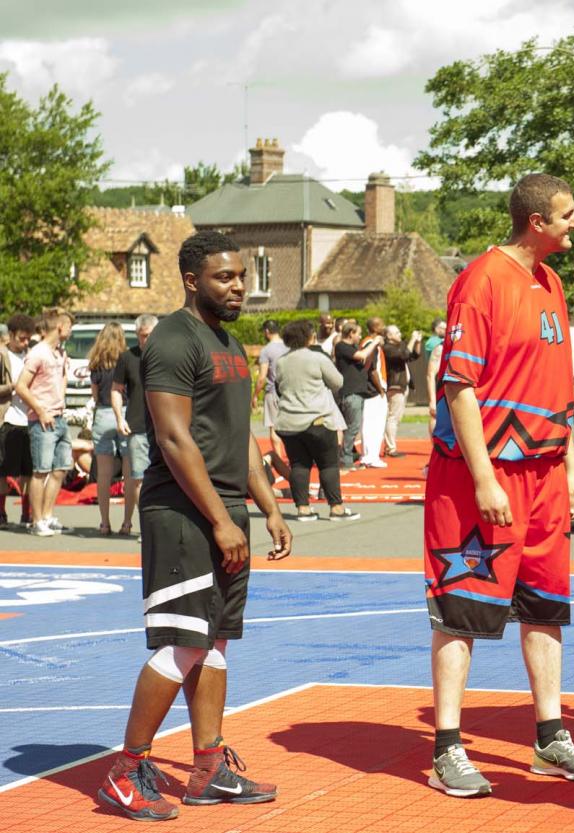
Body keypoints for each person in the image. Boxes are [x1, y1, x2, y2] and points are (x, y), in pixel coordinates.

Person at [96, 230, 292, 822]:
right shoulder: (174, 341)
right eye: (224, 278)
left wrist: (269, 505)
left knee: (216, 642)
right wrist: (218, 517)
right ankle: (125, 772)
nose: (238, 287)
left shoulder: (228, 340)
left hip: (226, 509)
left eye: (240, 277)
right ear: (191, 280)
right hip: (182, 512)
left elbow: (237, 437)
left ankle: (207, 769)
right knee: (184, 644)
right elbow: (176, 440)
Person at [425, 173, 574, 797]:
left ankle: (550, 737)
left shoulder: (550, 282)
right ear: (537, 221)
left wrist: (572, 466)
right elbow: (459, 387)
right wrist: (482, 477)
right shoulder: (480, 282)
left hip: (547, 470)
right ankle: (447, 746)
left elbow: (557, 391)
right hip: (486, 474)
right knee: (463, 609)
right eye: (569, 214)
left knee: (546, 608)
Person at [274, 319, 359, 522]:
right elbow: (338, 382)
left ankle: (303, 508)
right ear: (308, 337)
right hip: (316, 418)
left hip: (288, 421)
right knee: (328, 464)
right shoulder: (316, 358)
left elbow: (278, 387)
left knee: (299, 465)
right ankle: (336, 507)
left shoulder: (281, 361)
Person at [14, 308, 74, 537]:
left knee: (60, 469)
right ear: (59, 327)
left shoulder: (59, 352)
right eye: (68, 325)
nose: (70, 330)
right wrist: (40, 410)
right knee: (40, 471)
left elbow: (61, 380)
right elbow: (21, 386)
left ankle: (47, 516)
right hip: (42, 420)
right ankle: (37, 520)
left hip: (59, 417)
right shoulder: (38, 353)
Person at [112, 314, 159, 539]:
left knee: (163, 478)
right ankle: (147, 527)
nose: (144, 341)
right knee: (139, 478)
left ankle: (161, 524)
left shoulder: (166, 356)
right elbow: (116, 389)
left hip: (164, 426)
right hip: (138, 426)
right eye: (141, 336)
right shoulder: (128, 357)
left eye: (148, 336)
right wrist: (119, 417)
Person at [88, 322, 128, 535]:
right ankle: (127, 522)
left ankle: (104, 523)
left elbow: (95, 396)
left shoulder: (96, 363)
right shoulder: (127, 360)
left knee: (104, 474)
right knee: (129, 472)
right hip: (125, 413)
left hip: (103, 413)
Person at [0, 314, 36, 529]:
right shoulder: (2, 355)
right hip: (8, 419)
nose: (25, 343)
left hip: (29, 419)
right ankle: (1, 513)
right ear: (10, 335)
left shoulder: (32, 355)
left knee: (29, 472)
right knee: (3, 471)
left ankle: (27, 513)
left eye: (28, 339)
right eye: (21, 339)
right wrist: (14, 386)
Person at [333, 322, 379, 470]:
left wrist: (373, 350)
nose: (359, 337)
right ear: (351, 333)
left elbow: (364, 364)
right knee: (352, 428)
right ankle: (345, 460)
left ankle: (346, 457)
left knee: (353, 427)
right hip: (350, 393)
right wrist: (374, 342)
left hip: (357, 392)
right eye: (358, 333)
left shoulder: (351, 348)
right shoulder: (342, 346)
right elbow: (362, 355)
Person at [254, 320, 290, 481]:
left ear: (267, 331)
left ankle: (279, 461)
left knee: (274, 429)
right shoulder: (288, 346)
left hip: (273, 391)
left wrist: (255, 395)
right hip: (289, 391)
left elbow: (262, 377)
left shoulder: (266, 350)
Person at [382, 324, 423, 458]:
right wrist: (411, 340)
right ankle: (391, 448)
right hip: (395, 386)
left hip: (402, 386)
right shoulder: (387, 348)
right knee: (392, 417)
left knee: (395, 418)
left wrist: (417, 342)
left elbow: (413, 356)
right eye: (397, 332)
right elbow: (404, 355)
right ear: (389, 336)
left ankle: (390, 446)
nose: (400, 334)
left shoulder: (398, 346)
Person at [358, 317, 389, 468]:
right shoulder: (370, 343)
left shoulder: (371, 343)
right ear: (375, 327)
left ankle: (370, 455)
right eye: (381, 324)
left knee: (374, 423)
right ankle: (370, 457)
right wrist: (380, 390)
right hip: (373, 391)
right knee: (373, 424)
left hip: (374, 389)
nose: (384, 327)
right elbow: (371, 369)